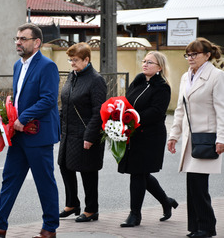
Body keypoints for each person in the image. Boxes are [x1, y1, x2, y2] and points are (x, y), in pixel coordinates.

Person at [0, 23, 60, 238]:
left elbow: (48, 99)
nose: (18, 42)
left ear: (36, 42)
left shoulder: (47, 66)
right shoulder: (17, 66)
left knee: (44, 181)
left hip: (38, 133)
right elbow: (19, 98)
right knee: (10, 177)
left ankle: (49, 228)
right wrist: (7, 117)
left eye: (23, 39)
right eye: (16, 38)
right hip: (18, 133)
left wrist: (23, 117)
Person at [167, 37, 224, 238]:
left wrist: (221, 138)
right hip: (190, 140)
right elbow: (180, 109)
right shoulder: (185, 77)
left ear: (207, 55)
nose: (190, 58)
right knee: (192, 185)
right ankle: (196, 227)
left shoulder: (217, 76)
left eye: (195, 54)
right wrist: (173, 136)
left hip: (207, 138)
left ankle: (207, 227)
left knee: (199, 185)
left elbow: (221, 109)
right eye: (188, 54)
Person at [118, 51, 178, 227]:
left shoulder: (162, 86)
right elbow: (127, 101)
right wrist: (121, 115)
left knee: (138, 173)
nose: (145, 64)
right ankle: (166, 201)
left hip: (150, 136)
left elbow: (156, 112)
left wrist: (132, 118)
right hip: (133, 133)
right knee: (141, 173)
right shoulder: (138, 79)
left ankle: (134, 215)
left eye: (150, 62)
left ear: (159, 67)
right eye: (144, 61)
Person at [57, 42, 106, 222]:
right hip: (69, 132)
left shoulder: (96, 79)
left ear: (86, 59)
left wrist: (90, 136)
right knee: (64, 166)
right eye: (70, 60)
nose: (72, 63)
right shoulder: (73, 75)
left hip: (86, 133)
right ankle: (72, 204)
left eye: (75, 60)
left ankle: (92, 209)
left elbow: (99, 111)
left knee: (88, 171)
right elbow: (66, 102)